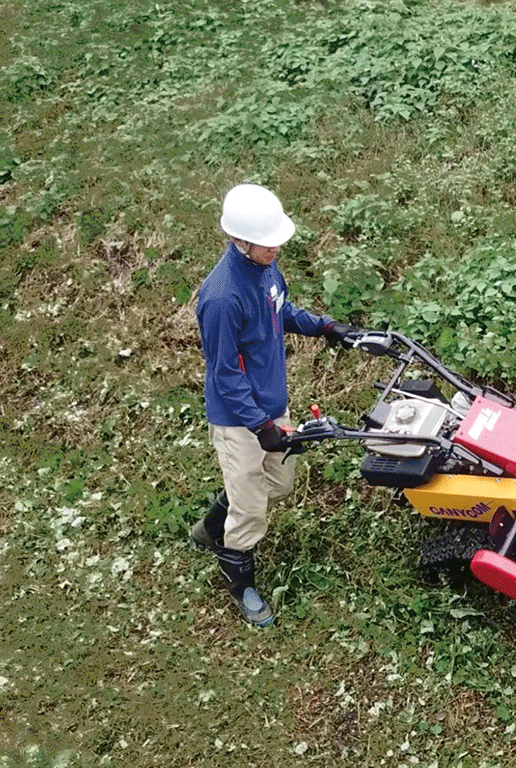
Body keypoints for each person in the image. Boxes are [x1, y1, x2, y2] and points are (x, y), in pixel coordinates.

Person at [191, 183, 358, 626]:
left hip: (270, 403)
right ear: (239, 240)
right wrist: (259, 426)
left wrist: (324, 327)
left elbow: (279, 310)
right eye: (267, 242)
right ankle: (240, 582)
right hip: (238, 417)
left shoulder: (265, 266)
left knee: (279, 485)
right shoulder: (222, 298)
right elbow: (225, 373)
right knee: (250, 508)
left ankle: (212, 526)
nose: (277, 247)